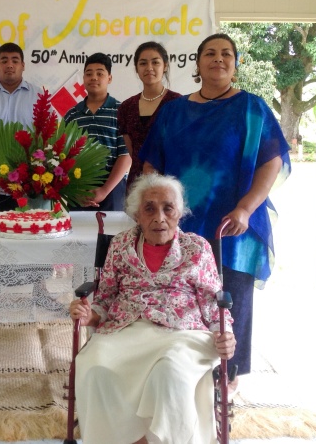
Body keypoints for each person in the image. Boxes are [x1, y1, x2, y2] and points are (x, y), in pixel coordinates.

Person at [140, 32, 290, 392]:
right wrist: (155, 212)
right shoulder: (174, 111)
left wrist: (245, 208)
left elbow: (272, 162)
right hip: (179, 226)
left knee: (229, 297)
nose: (218, 58)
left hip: (232, 224)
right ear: (197, 64)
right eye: (210, 53)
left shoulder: (252, 108)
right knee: (182, 295)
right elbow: (150, 165)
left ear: (235, 64)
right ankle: (182, 370)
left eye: (226, 53)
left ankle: (228, 378)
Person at [69, 173, 236, 444]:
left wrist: (225, 333)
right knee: (95, 368)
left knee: (169, 372)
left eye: (167, 208)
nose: (159, 217)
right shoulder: (121, 245)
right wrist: (90, 315)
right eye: (149, 208)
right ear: (137, 215)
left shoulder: (197, 247)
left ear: (179, 213)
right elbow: (106, 297)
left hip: (183, 333)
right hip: (126, 330)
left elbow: (211, 301)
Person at [0, 42, 44, 211]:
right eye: (4, 60)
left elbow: (47, 137)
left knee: (29, 230)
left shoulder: (39, 96)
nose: (9, 65)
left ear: (23, 65)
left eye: (15, 60)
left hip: (30, 182)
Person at [63, 52, 131, 211]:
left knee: (112, 236)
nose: (94, 77)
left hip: (113, 189)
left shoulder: (121, 111)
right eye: (89, 74)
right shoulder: (72, 114)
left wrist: (104, 190)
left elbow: (125, 155)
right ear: (84, 79)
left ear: (109, 78)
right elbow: (64, 157)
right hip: (78, 191)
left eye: (100, 73)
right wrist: (75, 189)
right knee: (77, 235)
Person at [117, 41, 181, 192]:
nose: (149, 68)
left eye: (155, 62)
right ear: (137, 69)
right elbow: (133, 151)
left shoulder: (178, 103)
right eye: (143, 63)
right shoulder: (126, 107)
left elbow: (180, 148)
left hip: (168, 182)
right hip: (136, 183)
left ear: (165, 66)